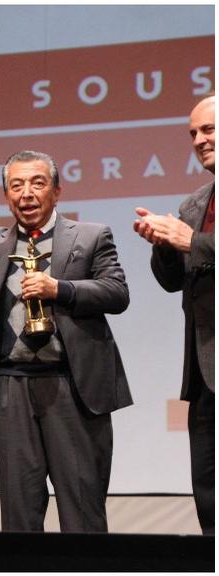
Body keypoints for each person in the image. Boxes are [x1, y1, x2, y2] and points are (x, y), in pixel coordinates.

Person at [0, 147, 132, 533]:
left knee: (82, 510)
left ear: (57, 191)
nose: (27, 193)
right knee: (19, 515)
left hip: (73, 389)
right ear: (7, 195)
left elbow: (116, 292)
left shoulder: (89, 236)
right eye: (16, 185)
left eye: (38, 183)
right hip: (11, 388)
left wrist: (61, 288)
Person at [133, 95, 215, 535]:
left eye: (208, 130)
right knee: (208, 487)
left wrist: (193, 243)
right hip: (205, 373)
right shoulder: (194, 204)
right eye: (193, 134)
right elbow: (173, 282)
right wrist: (163, 245)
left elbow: (198, 250)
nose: (200, 140)